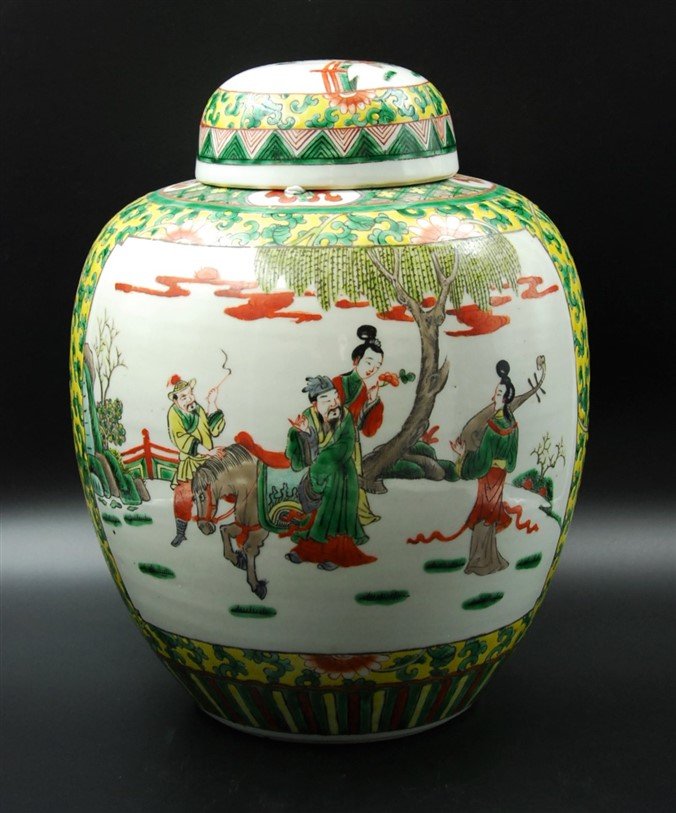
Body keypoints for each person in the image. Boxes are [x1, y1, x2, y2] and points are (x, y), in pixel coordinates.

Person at [284, 375, 376, 570]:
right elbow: (301, 456)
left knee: (336, 515)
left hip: (342, 475)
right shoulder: (307, 418)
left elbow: (345, 446)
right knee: (316, 516)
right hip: (317, 475)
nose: (334, 403)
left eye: (336, 397)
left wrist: (322, 465)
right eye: (327, 400)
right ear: (315, 404)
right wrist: (304, 433)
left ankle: (336, 555)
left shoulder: (345, 416)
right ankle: (307, 551)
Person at [449, 361, 519, 575]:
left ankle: (480, 561)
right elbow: (512, 461)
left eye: (498, 394)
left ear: (505, 398)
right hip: (500, 475)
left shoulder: (492, 426)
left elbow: (481, 461)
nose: (493, 397)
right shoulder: (513, 425)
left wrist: (463, 456)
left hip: (488, 475)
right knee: (490, 513)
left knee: (484, 514)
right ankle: (489, 558)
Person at [332, 325, 384, 526]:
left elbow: (365, 428)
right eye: (369, 362)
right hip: (336, 440)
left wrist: (372, 401)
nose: (372, 369)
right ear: (356, 360)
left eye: (377, 366)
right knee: (340, 479)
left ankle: (359, 514)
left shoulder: (365, 389)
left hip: (353, 441)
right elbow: (332, 414)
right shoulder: (339, 382)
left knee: (354, 477)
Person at [166, 375, 225, 547]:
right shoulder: (174, 414)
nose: (190, 399)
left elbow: (212, 430)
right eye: (184, 397)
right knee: (183, 496)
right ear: (175, 400)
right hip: (191, 463)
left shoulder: (197, 408)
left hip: (208, 461)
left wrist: (212, 403)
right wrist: (206, 451)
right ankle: (181, 533)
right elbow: (181, 439)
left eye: (190, 394)